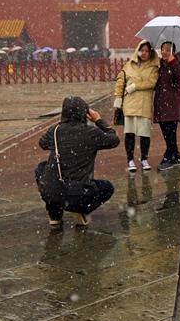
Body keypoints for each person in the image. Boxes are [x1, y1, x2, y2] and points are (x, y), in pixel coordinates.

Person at [35, 96, 119, 227]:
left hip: (54, 192)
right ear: (84, 112)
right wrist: (98, 120)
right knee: (107, 187)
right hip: (79, 193)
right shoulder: (91, 132)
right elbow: (114, 139)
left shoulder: (55, 131)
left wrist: (61, 128)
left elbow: (43, 143)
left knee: (42, 169)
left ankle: (55, 215)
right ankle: (79, 209)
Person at [114, 40, 159, 172]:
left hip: (144, 105)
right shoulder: (128, 66)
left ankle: (144, 159)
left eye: (147, 51)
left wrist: (135, 86)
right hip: (130, 104)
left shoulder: (154, 67)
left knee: (145, 134)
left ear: (150, 53)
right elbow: (120, 82)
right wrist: (118, 100)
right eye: (142, 50)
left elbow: (152, 82)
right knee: (130, 134)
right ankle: (130, 160)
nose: (144, 53)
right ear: (138, 51)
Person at [154, 41, 180, 170]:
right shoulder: (160, 65)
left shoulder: (177, 63)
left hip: (172, 104)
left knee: (170, 133)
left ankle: (168, 157)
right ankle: (176, 156)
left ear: (173, 51)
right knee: (166, 133)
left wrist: (172, 62)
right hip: (160, 104)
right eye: (163, 49)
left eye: (168, 50)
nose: (164, 52)